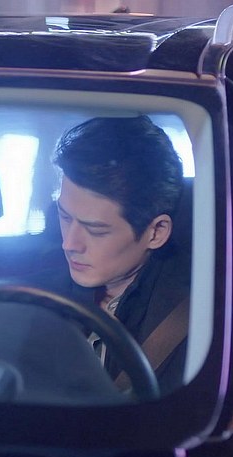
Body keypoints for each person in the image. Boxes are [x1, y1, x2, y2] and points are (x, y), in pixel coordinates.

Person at [45, 115, 189, 394]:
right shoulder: (30, 296)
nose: (70, 244)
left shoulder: (202, 320)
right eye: (64, 217)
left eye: (96, 230)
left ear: (156, 232)